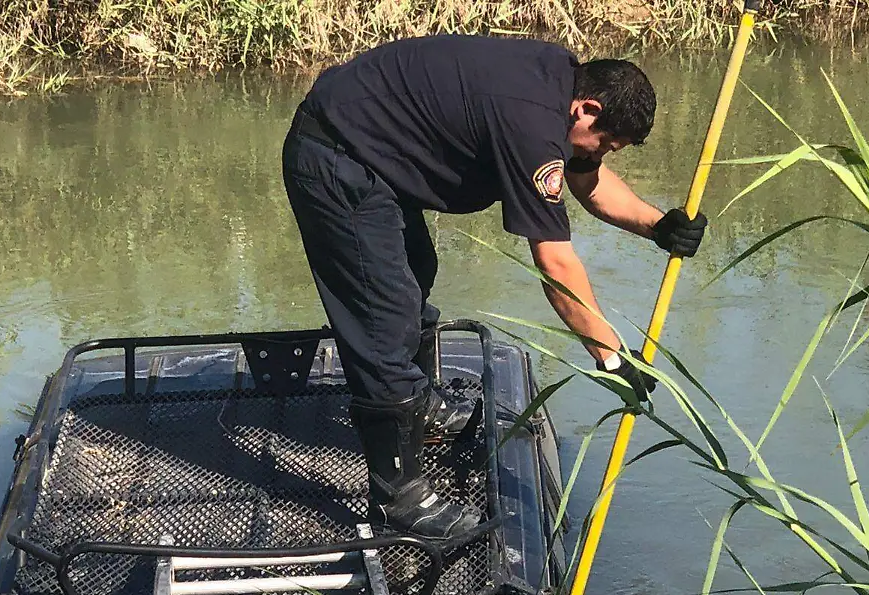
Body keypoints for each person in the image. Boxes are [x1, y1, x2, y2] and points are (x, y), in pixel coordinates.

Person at [280, 34, 707, 541]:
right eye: (607, 143)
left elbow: (588, 180)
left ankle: (424, 409)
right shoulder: (531, 120)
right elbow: (555, 265)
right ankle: (398, 497)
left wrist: (659, 226)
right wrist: (612, 356)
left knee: (413, 276)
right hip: (336, 156)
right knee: (383, 320)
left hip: (372, 148)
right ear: (587, 110)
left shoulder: (561, 88)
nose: (602, 154)